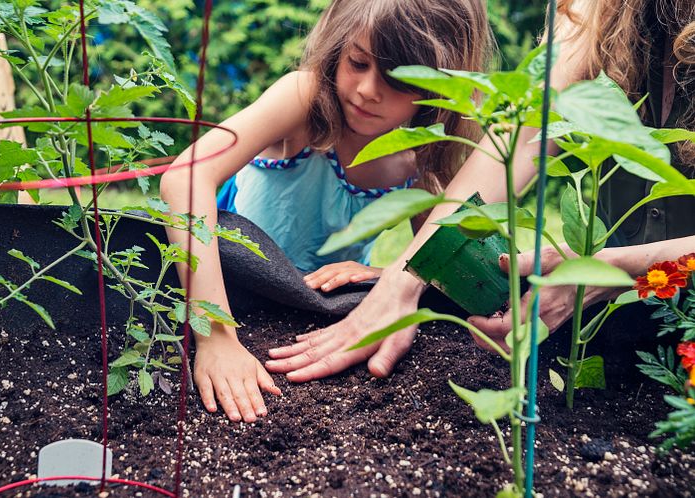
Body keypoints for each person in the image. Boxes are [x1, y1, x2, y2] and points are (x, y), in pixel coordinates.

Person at [265, 0, 695, 380]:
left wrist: (611, 269)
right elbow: (528, 128)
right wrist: (400, 283)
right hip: (625, 330)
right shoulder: (603, 9)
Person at [160, 0, 491, 422]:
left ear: (442, 87)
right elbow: (185, 179)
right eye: (358, 62)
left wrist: (387, 275)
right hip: (234, 282)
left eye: (399, 79)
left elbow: (441, 257)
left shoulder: (420, 151)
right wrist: (216, 337)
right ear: (340, 46)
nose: (369, 90)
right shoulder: (305, 99)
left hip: (321, 309)